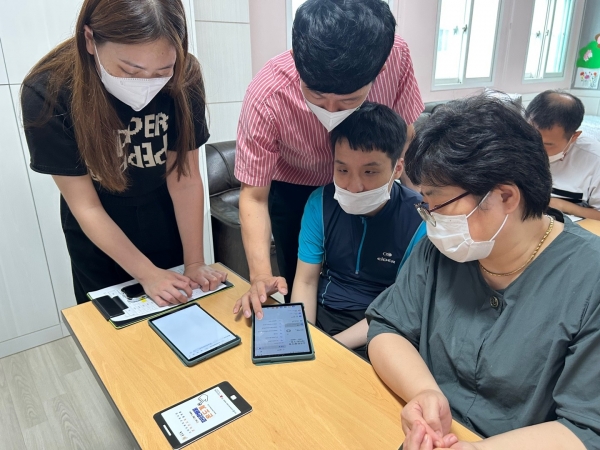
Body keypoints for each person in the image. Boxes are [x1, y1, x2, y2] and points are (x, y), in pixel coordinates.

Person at [366, 95, 600, 449]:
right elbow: (387, 327)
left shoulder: (588, 279)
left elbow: (587, 428)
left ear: (505, 197)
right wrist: (425, 392)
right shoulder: (441, 250)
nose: (431, 219)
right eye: (425, 204)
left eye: (438, 203)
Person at [21, 0, 226, 305]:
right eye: (131, 70)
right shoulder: (49, 91)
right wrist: (147, 274)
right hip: (99, 233)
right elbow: (86, 206)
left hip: (165, 216)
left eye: (162, 71)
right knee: (112, 328)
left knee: (178, 314)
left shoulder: (184, 77)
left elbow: (184, 179)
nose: (147, 85)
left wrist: (194, 262)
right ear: (90, 40)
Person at [234, 0, 424, 319]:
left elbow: (403, 133)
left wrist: (415, 196)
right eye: (317, 97)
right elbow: (254, 195)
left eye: (349, 100)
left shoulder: (395, 56)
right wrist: (260, 275)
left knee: (379, 282)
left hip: (376, 186)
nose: (332, 113)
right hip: (295, 190)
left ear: (380, 70)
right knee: (298, 280)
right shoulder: (267, 95)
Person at [290, 103, 425, 359]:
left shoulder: (419, 220)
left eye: (370, 172)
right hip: (325, 312)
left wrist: (329, 348)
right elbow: (306, 280)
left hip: (383, 326)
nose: (354, 186)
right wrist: (303, 338)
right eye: (342, 170)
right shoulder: (320, 203)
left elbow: (402, 304)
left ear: (397, 169)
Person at [526, 90, 600, 220]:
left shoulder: (594, 159)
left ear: (574, 137)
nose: (535, 148)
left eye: (547, 144)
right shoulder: (512, 141)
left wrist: (563, 205)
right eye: (530, 138)